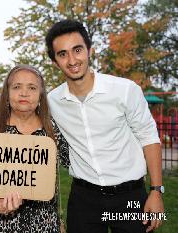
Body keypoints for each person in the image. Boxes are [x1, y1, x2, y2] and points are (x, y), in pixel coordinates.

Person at [46, 19, 164, 233]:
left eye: (77, 50)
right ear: (55, 62)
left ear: (89, 50)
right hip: (84, 199)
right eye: (62, 54)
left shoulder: (125, 90)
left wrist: (156, 191)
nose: (72, 60)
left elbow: (149, 137)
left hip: (130, 197)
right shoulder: (52, 101)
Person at [0, 64, 70, 233]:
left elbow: (75, 164)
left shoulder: (54, 130)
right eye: (17, 87)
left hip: (43, 225)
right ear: (7, 93)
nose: (24, 93)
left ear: (41, 95)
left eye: (32, 88)